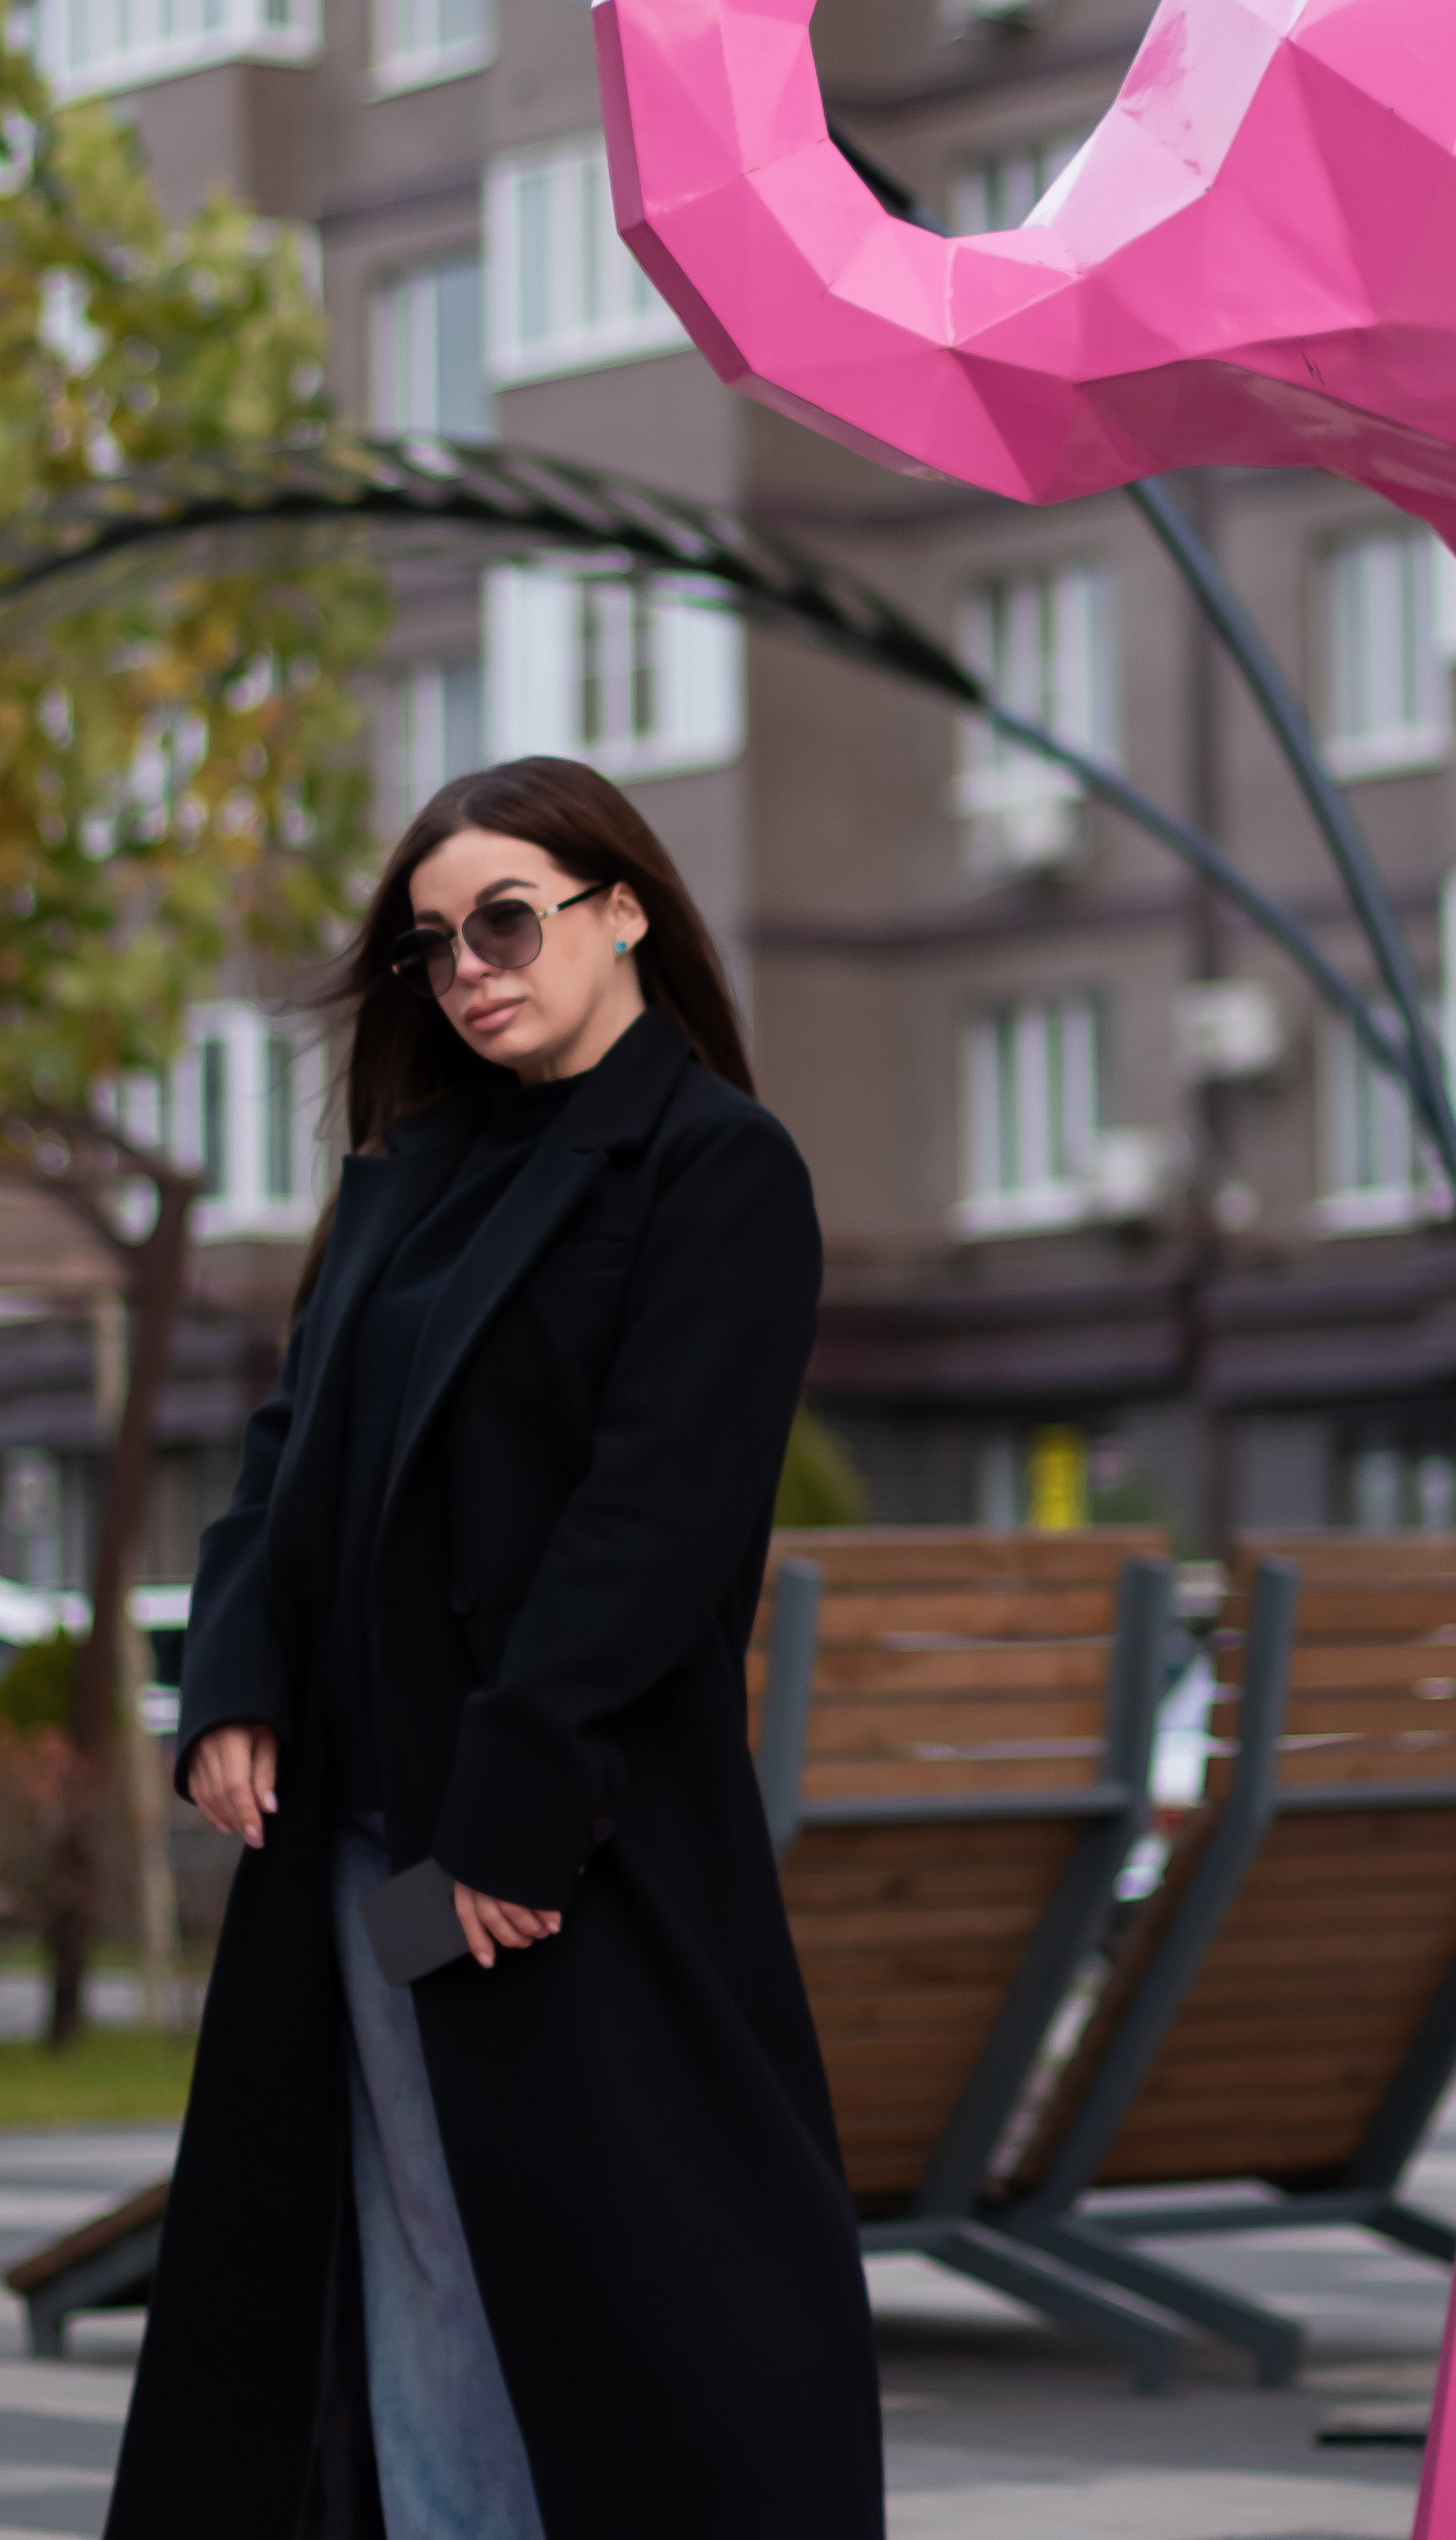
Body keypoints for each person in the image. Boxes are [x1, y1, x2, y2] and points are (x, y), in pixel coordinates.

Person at [105, 757, 885, 2540]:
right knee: (414, 2267)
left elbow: (651, 1527)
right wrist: (230, 1676)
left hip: (559, 1853)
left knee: (638, 2307)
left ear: (622, 911)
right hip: (369, 1853)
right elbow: (288, 1453)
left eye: (509, 918)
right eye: (432, 944)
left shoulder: (718, 1171)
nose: (470, 967)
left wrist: (511, 1826)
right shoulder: (407, 1179)